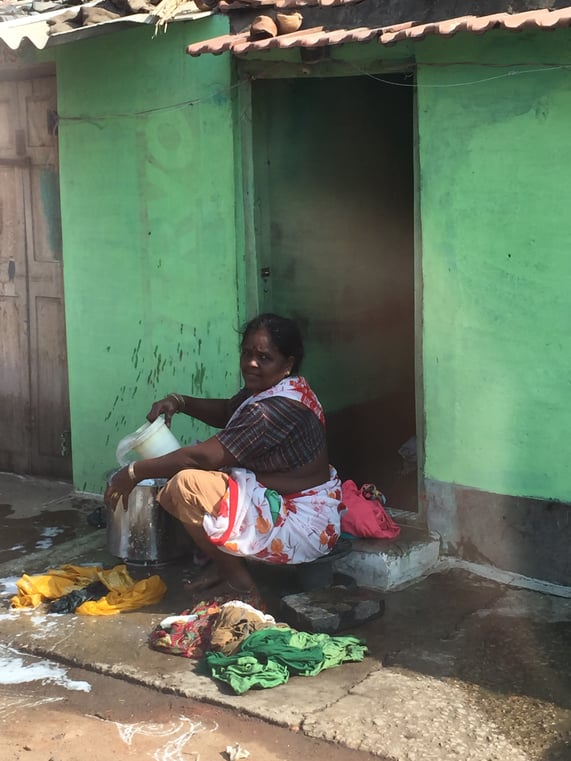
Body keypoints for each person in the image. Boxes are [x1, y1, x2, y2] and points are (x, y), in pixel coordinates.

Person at [105, 313, 343, 598]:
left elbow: (203, 458)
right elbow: (231, 412)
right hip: (285, 499)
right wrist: (180, 402)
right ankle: (225, 565)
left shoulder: (275, 410)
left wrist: (134, 472)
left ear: (288, 363)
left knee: (185, 486)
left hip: (301, 521)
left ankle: (241, 586)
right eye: (247, 354)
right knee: (183, 484)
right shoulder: (278, 388)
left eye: (264, 357)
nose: (251, 364)